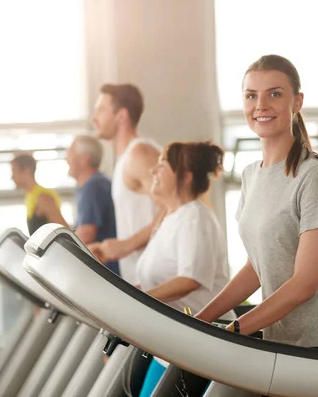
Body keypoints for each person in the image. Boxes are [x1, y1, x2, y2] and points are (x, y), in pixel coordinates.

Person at [195, 54, 318, 353]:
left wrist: (236, 329)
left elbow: (304, 284)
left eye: (274, 94)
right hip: (281, 346)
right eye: (251, 95)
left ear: (297, 102)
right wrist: (201, 321)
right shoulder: (251, 175)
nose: (260, 105)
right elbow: (258, 267)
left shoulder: (314, 175)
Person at [136, 141, 235, 397]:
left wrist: (139, 300)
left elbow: (190, 280)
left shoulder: (196, 216)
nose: (153, 171)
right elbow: (152, 283)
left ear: (186, 176)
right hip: (172, 344)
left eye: (162, 165)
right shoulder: (170, 219)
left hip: (203, 345)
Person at [87, 84, 164, 284]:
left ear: (122, 116)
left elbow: (175, 208)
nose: (93, 118)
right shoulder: (124, 160)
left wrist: (127, 245)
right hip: (141, 280)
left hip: (163, 282)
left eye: (100, 110)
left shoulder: (140, 154)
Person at [66, 135, 120, 276]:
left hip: (108, 272)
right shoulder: (96, 184)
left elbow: (86, 233)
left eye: (70, 154)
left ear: (85, 158)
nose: (67, 159)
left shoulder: (93, 186)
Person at [10, 153, 69, 235]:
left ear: (27, 170)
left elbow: (66, 233)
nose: (12, 177)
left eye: (14, 171)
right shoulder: (29, 197)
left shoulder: (44, 198)